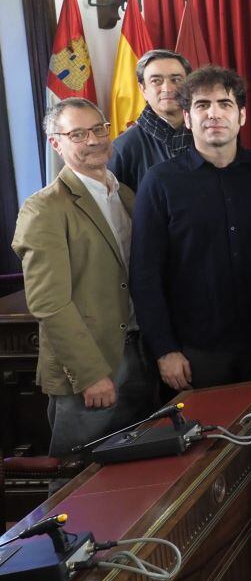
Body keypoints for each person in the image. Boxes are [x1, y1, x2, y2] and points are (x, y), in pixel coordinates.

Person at [12, 99, 157, 457]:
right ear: (56, 143)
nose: (92, 140)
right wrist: (90, 374)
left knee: (134, 479)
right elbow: (50, 303)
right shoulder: (44, 208)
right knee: (76, 486)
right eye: (77, 133)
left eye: (97, 129)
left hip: (139, 357)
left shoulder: (124, 195)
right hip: (90, 371)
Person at [131, 66, 251, 390]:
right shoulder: (160, 182)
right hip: (195, 353)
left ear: (242, 115)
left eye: (224, 104)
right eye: (202, 105)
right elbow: (144, 274)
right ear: (187, 117)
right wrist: (165, 349)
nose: (214, 114)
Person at [107, 49, 193, 192]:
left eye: (176, 80)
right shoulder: (123, 147)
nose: (167, 88)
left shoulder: (208, 133)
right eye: (156, 81)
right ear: (143, 89)